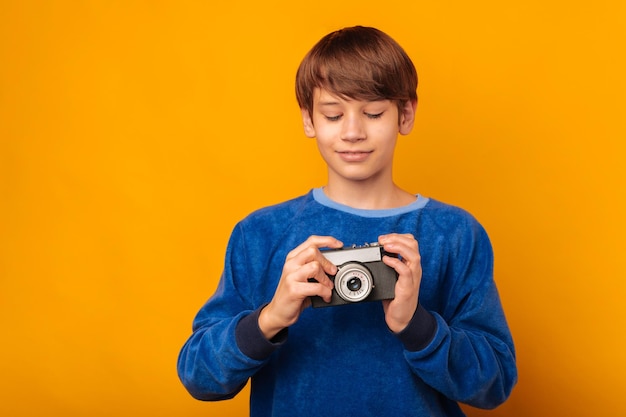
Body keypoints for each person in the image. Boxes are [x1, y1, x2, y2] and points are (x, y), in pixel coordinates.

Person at [177, 25, 517, 416]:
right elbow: (198, 377)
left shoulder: (455, 234)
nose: (353, 132)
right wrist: (271, 317)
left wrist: (417, 325)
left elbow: (495, 384)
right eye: (334, 115)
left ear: (405, 114)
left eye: (373, 113)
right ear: (309, 120)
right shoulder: (260, 233)